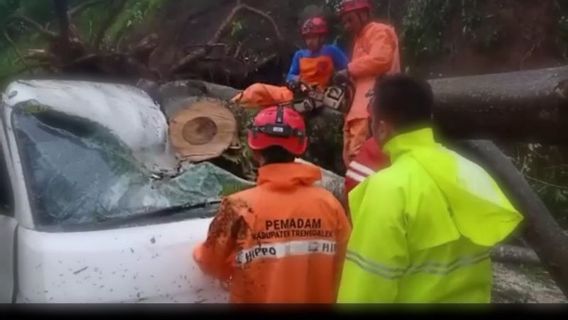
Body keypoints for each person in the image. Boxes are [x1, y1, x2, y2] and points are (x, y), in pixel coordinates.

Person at [337, 75, 524, 303]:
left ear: (382, 128)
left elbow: (366, 289)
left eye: (372, 120)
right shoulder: (469, 171)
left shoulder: (387, 188)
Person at [193, 106, 351, 303]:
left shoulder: (238, 206)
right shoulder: (329, 205)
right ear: (301, 146)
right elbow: (345, 265)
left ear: (253, 148)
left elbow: (209, 263)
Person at [335, 0, 401, 167]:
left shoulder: (379, 31)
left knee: (362, 154)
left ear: (364, 15)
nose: (347, 26)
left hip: (372, 104)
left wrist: (349, 70)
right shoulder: (360, 38)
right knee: (351, 154)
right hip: (358, 107)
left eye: (350, 20)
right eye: (344, 22)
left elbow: (381, 59)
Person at [232, 16, 349, 108]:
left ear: (322, 37)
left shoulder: (331, 51)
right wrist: (295, 81)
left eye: (313, 37)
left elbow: (349, 69)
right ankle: (232, 104)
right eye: (307, 38)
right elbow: (290, 76)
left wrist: (337, 86)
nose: (310, 41)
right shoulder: (300, 55)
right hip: (295, 93)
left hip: (319, 97)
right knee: (257, 89)